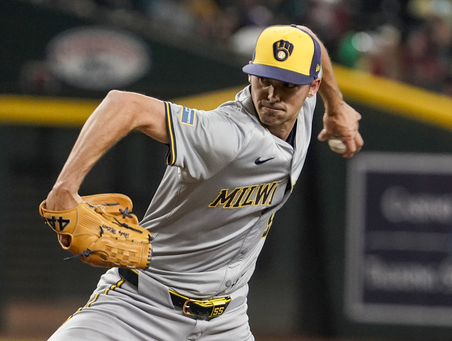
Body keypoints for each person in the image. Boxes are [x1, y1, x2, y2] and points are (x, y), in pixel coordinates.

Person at [44, 24, 363, 341]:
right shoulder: (226, 134)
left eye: (288, 85)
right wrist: (64, 189)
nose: (272, 95)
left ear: (312, 86)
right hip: (138, 309)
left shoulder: (303, 110)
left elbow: (307, 38)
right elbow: (123, 104)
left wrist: (336, 106)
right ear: (250, 75)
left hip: (227, 322)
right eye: (264, 80)